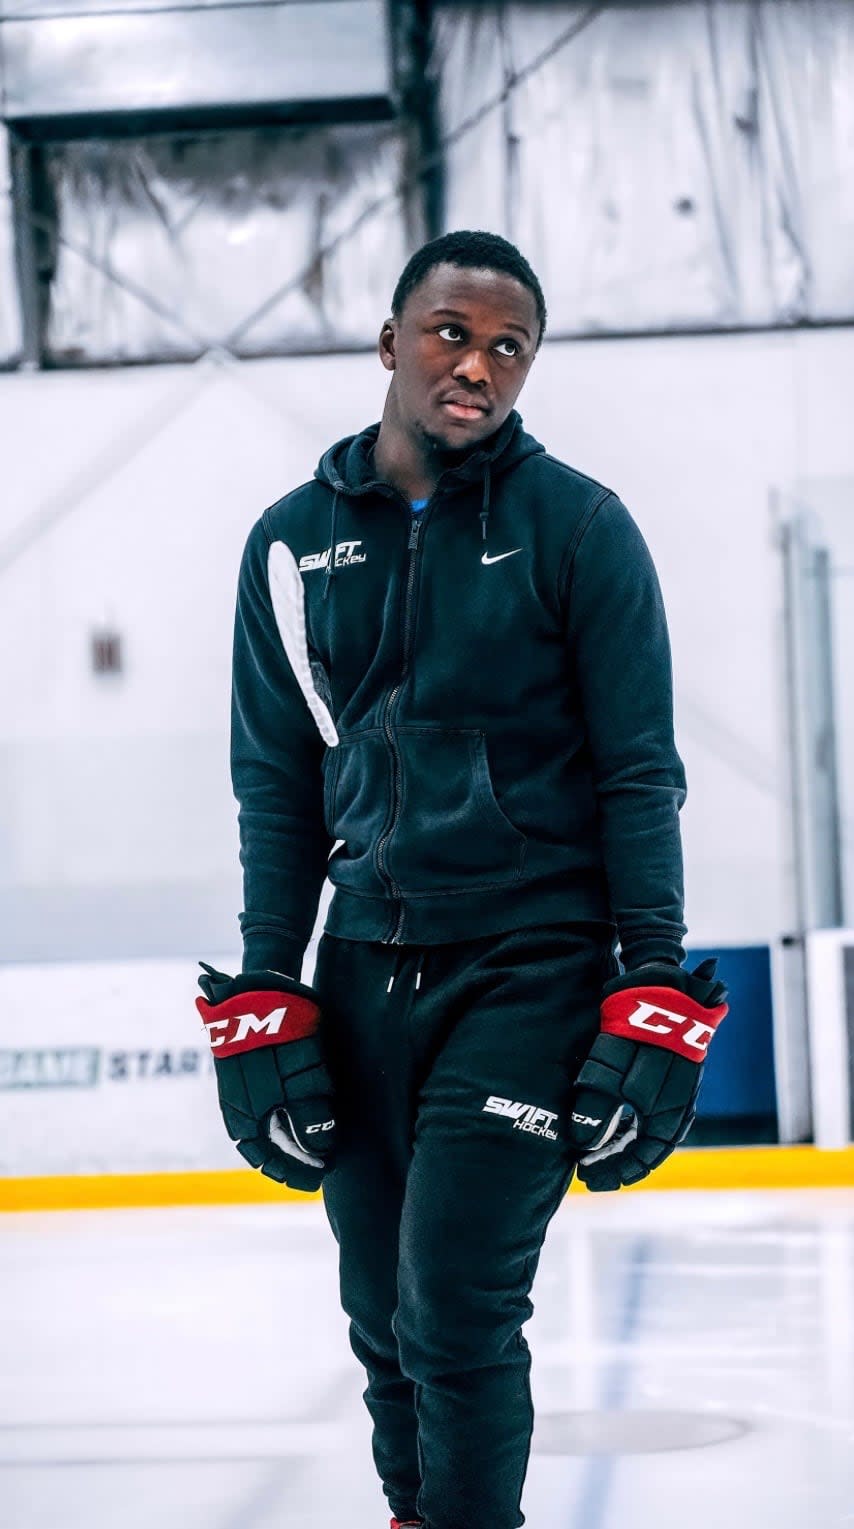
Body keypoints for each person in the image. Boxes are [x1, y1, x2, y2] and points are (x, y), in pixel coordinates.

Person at [195, 230, 728, 1529]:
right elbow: (278, 783)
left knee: (452, 1303)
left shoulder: (579, 529)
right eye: (450, 332)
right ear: (390, 342)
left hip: (530, 967)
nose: (477, 364)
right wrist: (271, 979)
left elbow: (635, 771)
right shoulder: (288, 543)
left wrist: (646, 978)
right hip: (364, 968)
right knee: (378, 1308)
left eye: (508, 347)